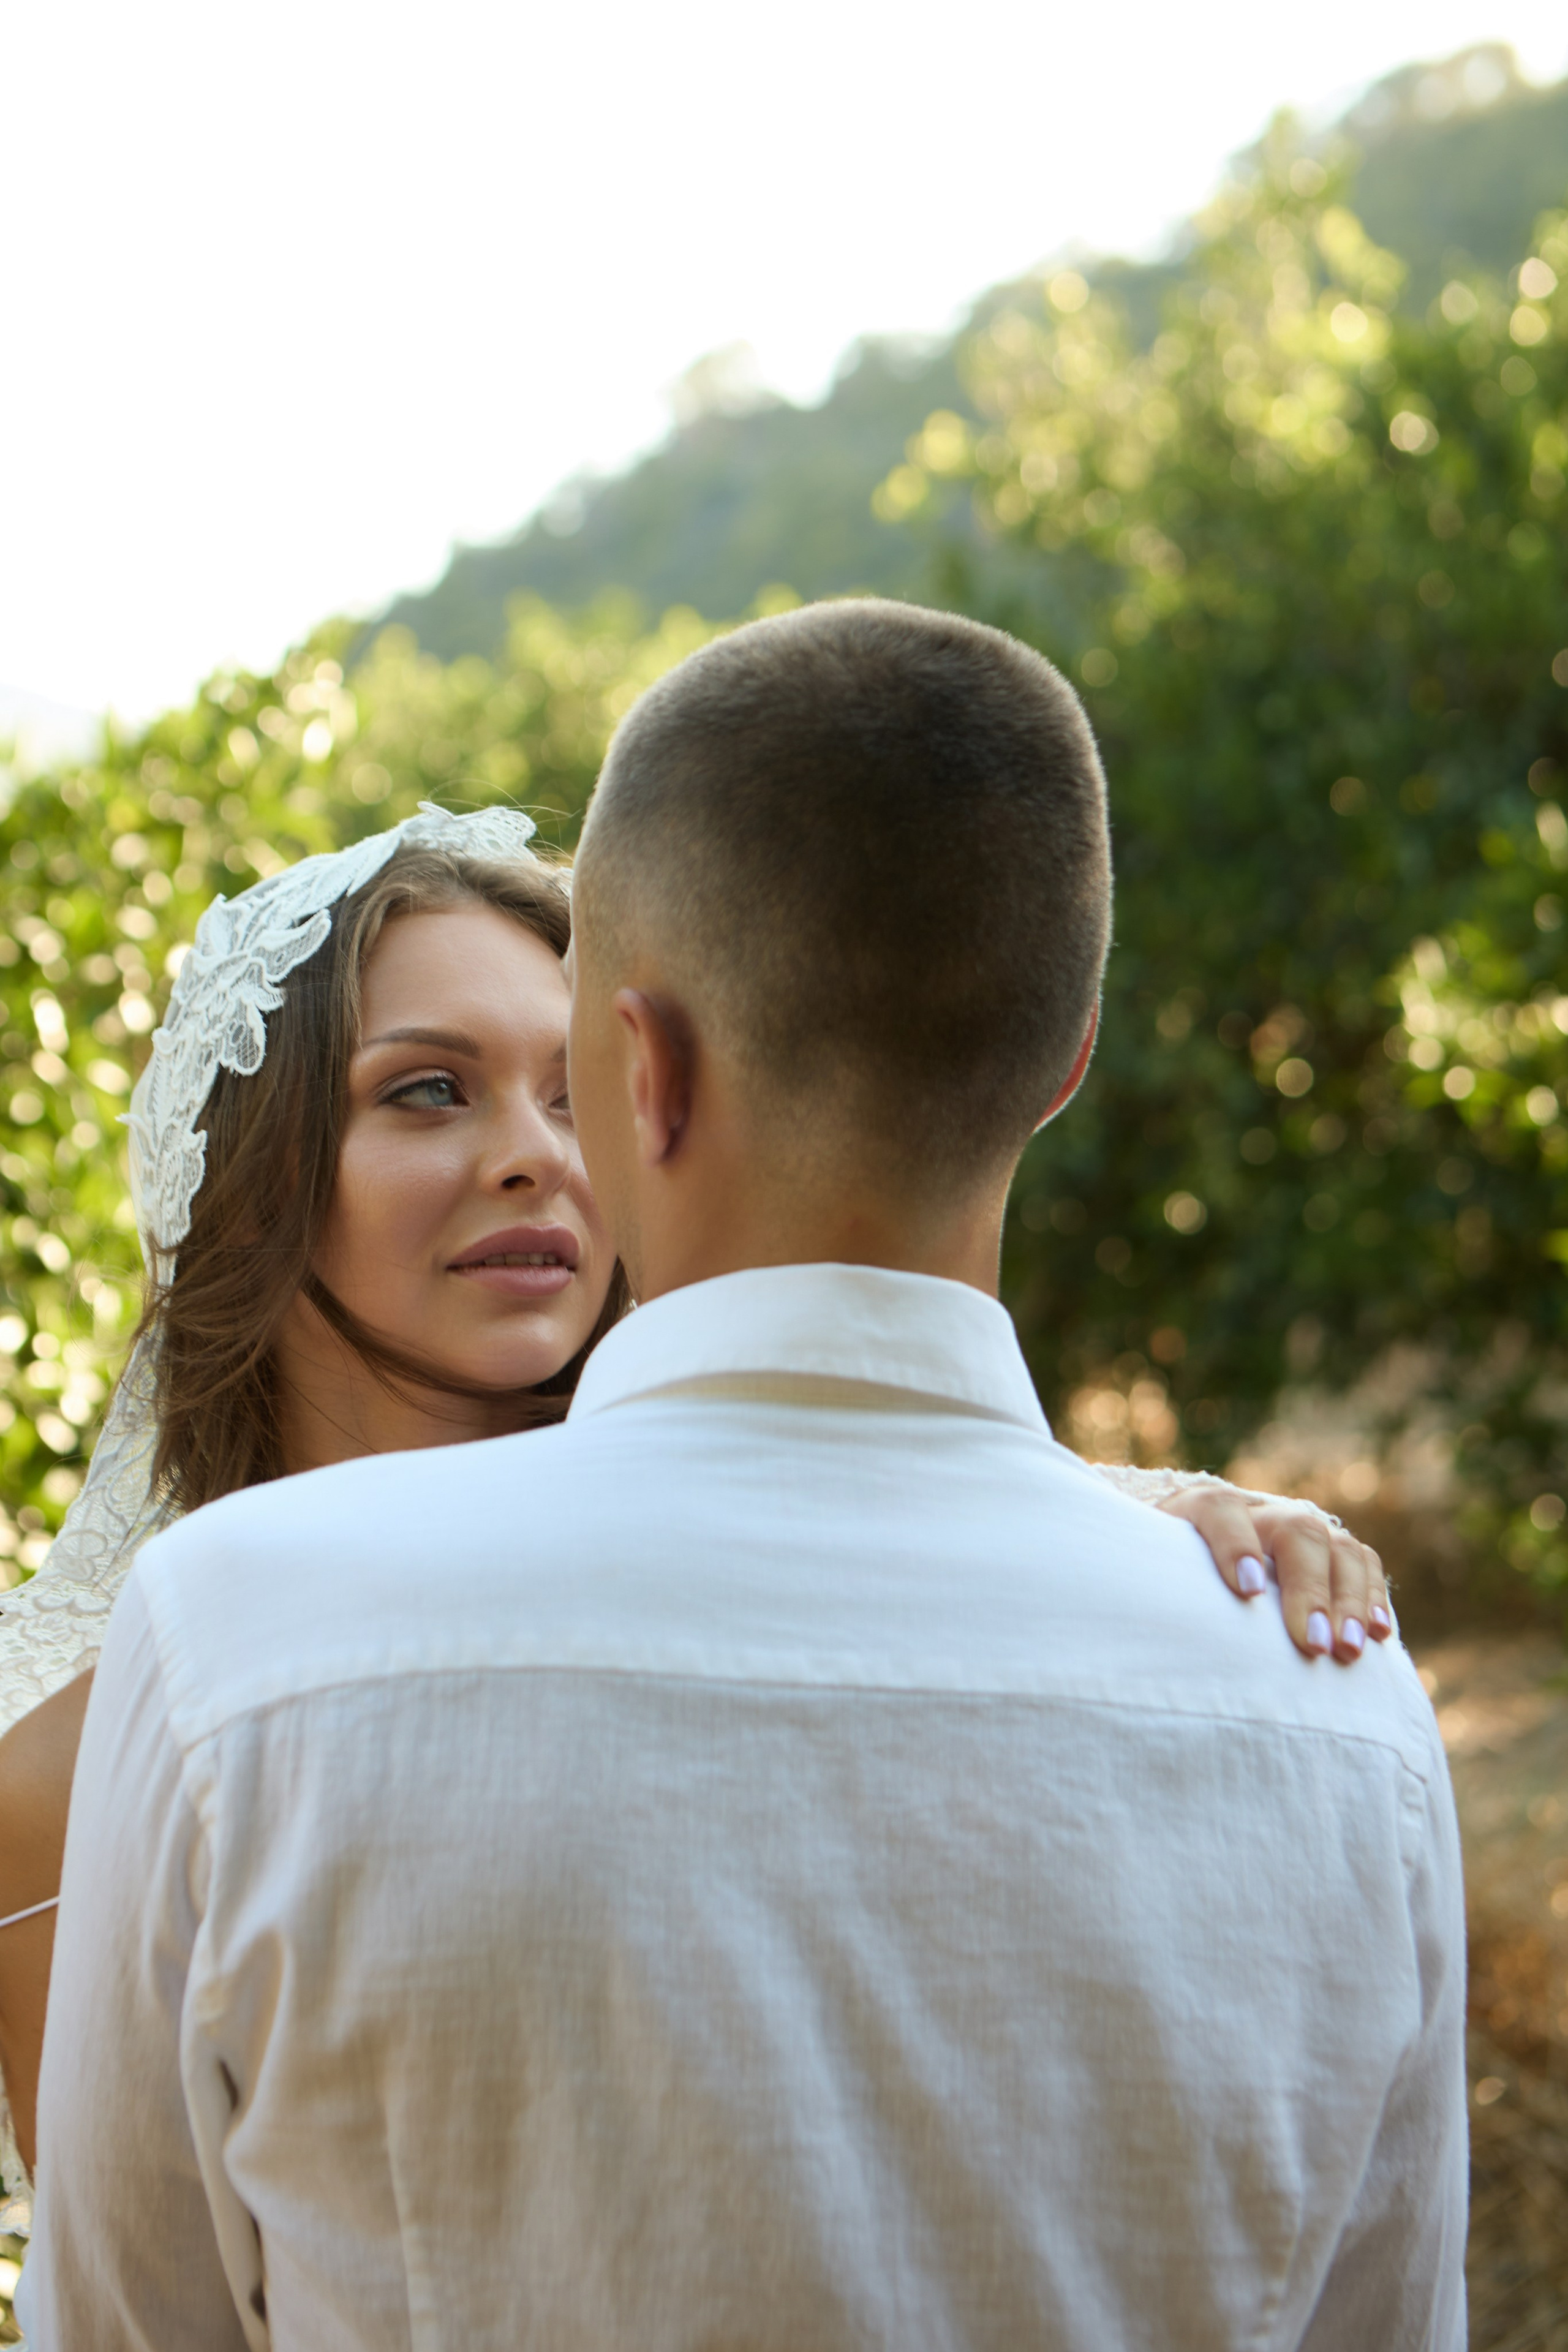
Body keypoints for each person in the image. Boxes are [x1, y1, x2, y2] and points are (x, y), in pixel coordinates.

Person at [20, 597, 1461, 2341]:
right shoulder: (170, 1682)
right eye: (425, 1094)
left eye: (566, 1093)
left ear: (644, 1083)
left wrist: (1175, 1522)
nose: (533, 1162)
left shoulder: (1264, 1613)